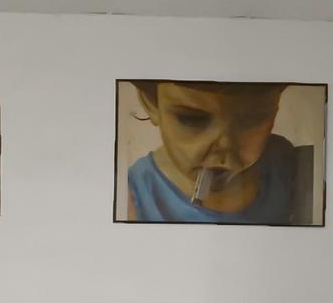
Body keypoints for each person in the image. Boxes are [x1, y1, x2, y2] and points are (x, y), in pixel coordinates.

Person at [121, 80, 300, 224]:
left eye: (252, 119)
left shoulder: (288, 165)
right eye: (192, 119)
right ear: (151, 103)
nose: (224, 150)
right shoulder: (132, 198)